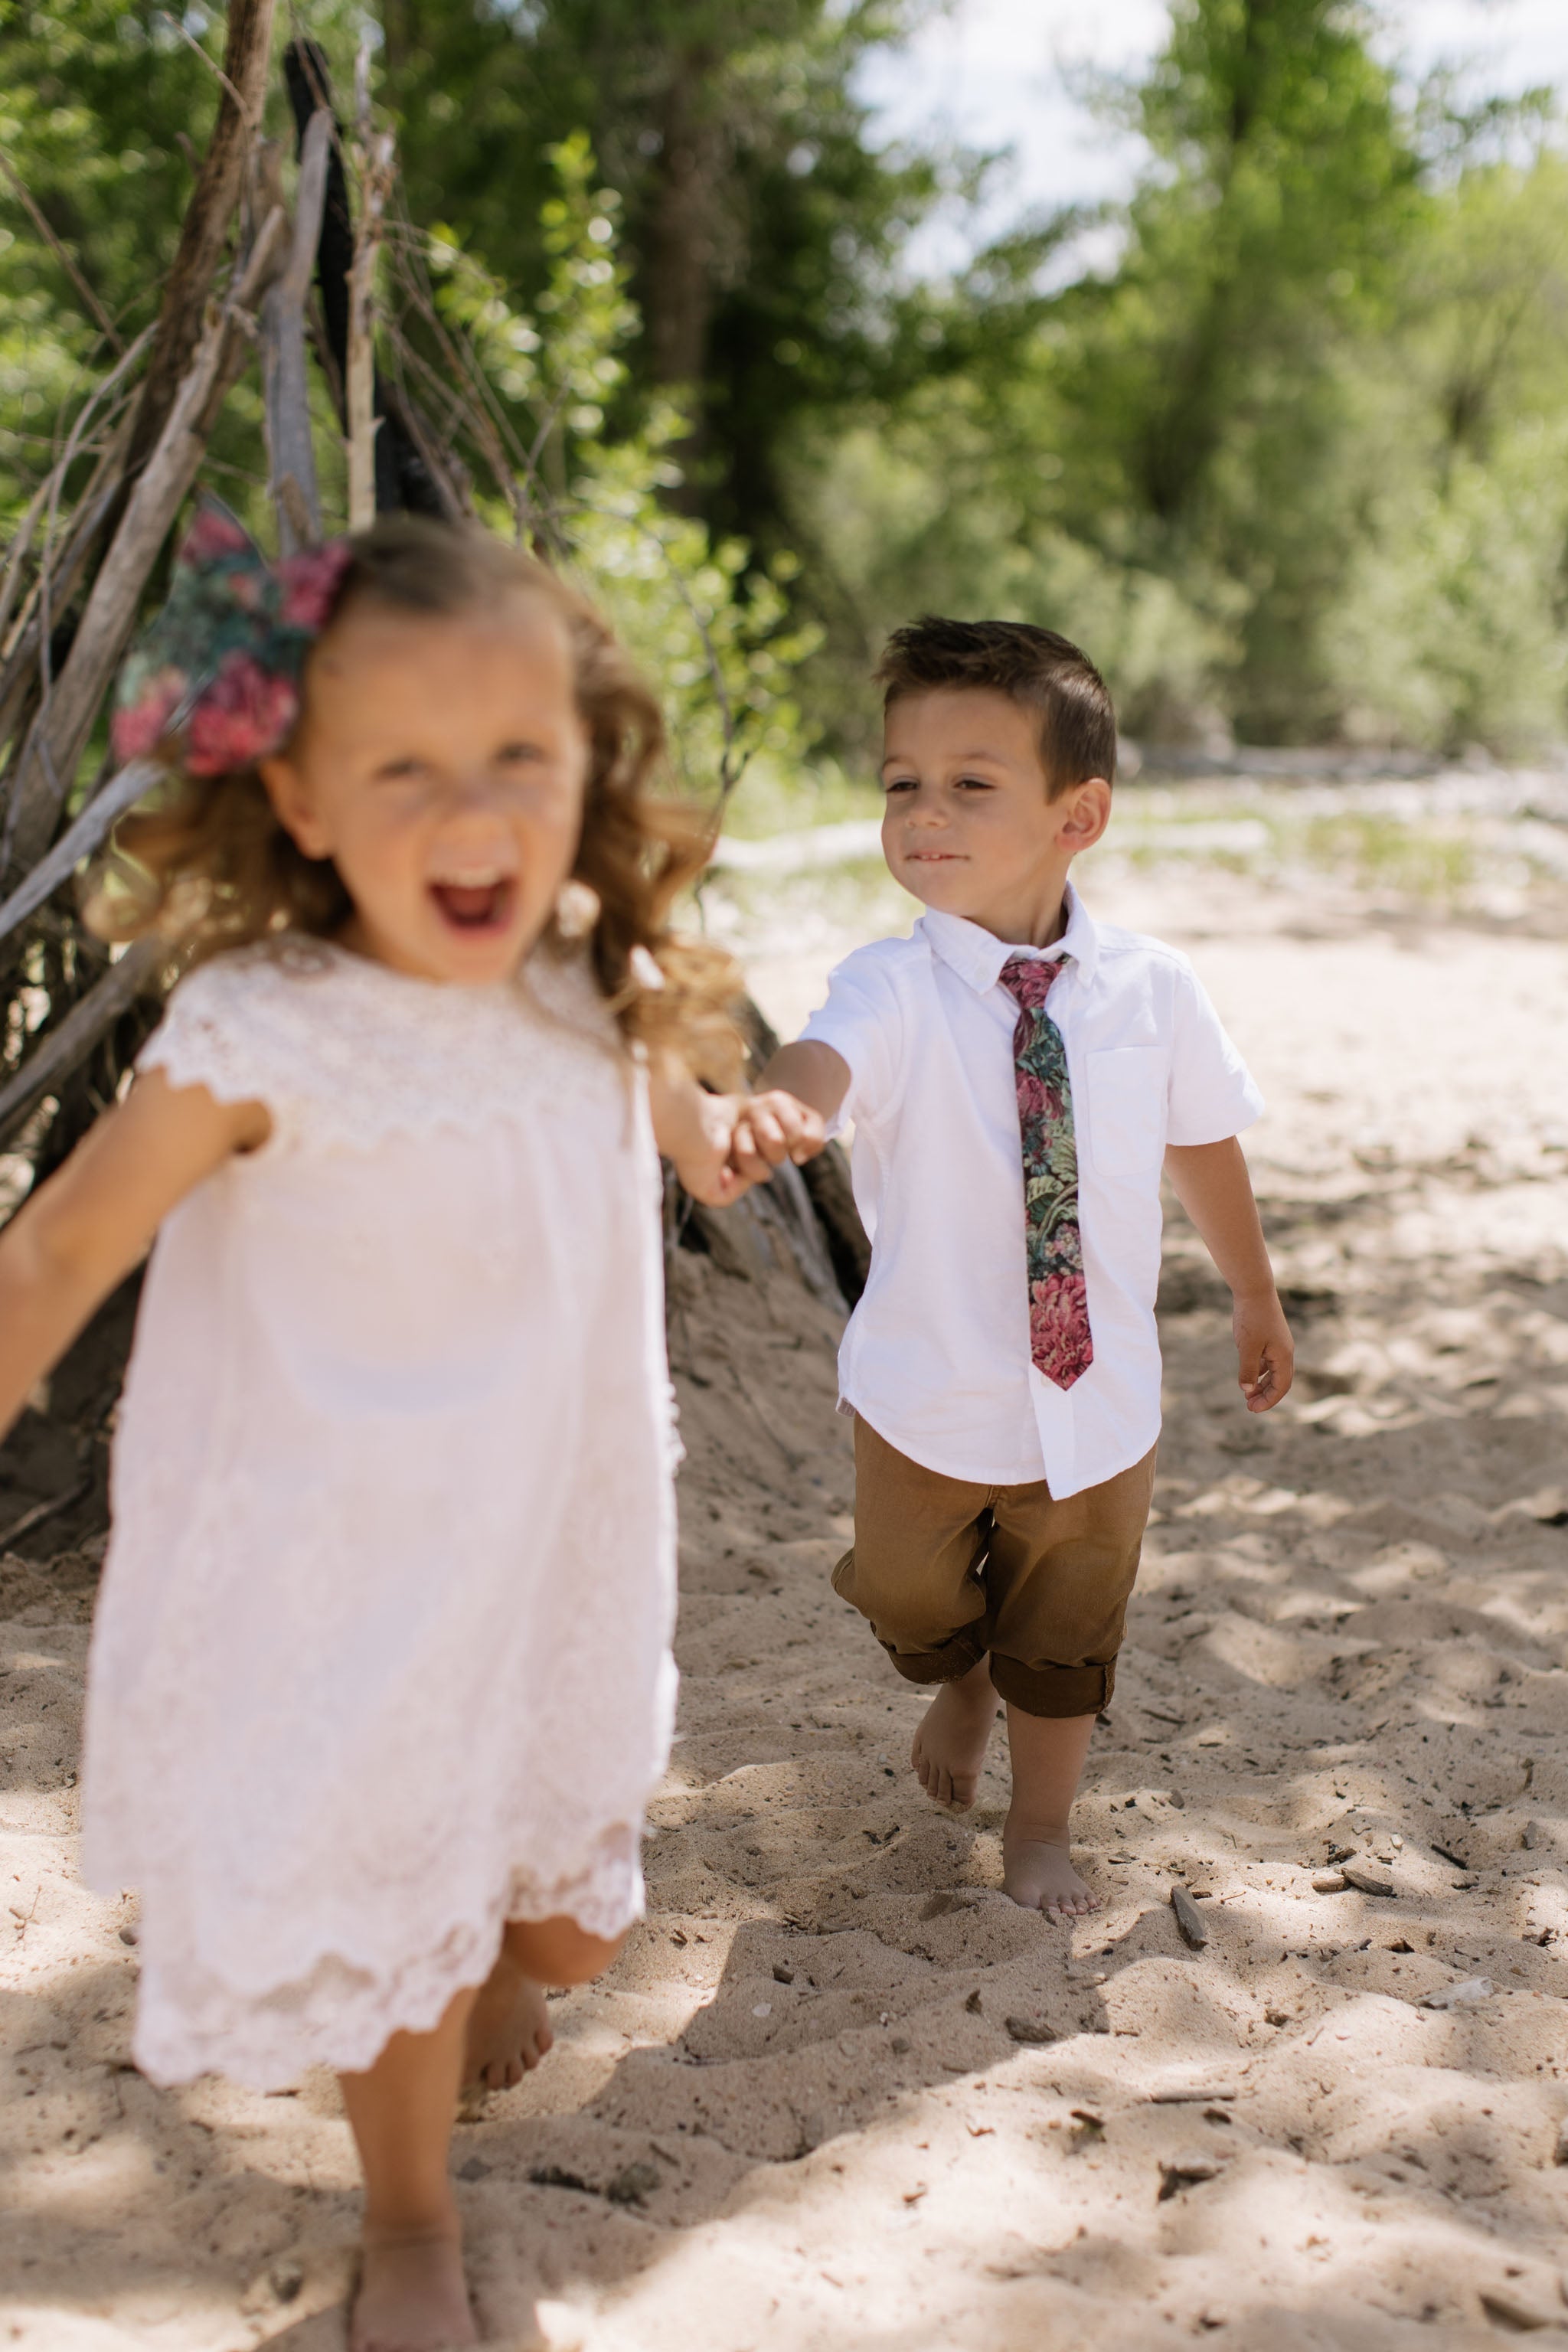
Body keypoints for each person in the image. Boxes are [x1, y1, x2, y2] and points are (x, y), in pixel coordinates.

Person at [0, 505, 819, 2352]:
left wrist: (720, 1133)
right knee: (406, 1888)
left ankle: (488, 1960)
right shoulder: (262, 1030)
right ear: (299, 797)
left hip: (554, 1527)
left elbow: (657, 1086)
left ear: (582, 761)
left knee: (573, 1927)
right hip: (345, 1549)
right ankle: (412, 2225)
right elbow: (54, 1250)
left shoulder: (577, 958)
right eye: (407, 770)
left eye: (519, 761)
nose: (476, 819)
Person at [754, 616, 1294, 1921]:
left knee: (1069, 1633)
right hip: (927, 1400)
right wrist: (779, 1108)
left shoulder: (1151, 992)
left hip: (1101, 1410)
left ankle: (1041, 1828)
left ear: (1080, 812)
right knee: (904, 1591)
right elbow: (821, 1062)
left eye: (970, 784)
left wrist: (1254, 1289)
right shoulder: (888, 987)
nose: (923, 814)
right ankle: (959, 1674)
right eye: (901, 784)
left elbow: (1201, 1139)